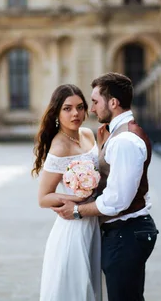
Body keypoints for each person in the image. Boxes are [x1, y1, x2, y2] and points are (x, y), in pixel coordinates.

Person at [53, 72, 159, 301]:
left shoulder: (124, 141)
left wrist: (76, 211)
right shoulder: (116, 135)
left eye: (94, 102)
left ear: (113, 102)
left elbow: (115, 201)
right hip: (125, 233)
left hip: (126, 234)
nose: (91, 109)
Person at [33, 84, 102, 301]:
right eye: (68, 108)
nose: (76, 114)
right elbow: (43, 198)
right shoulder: (59, 147)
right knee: (76, 289)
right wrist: (77, 198)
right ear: (56, 112)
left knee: (95, 284)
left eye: (80, 107)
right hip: (74, 227)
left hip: (96, 221)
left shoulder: (88, 134)